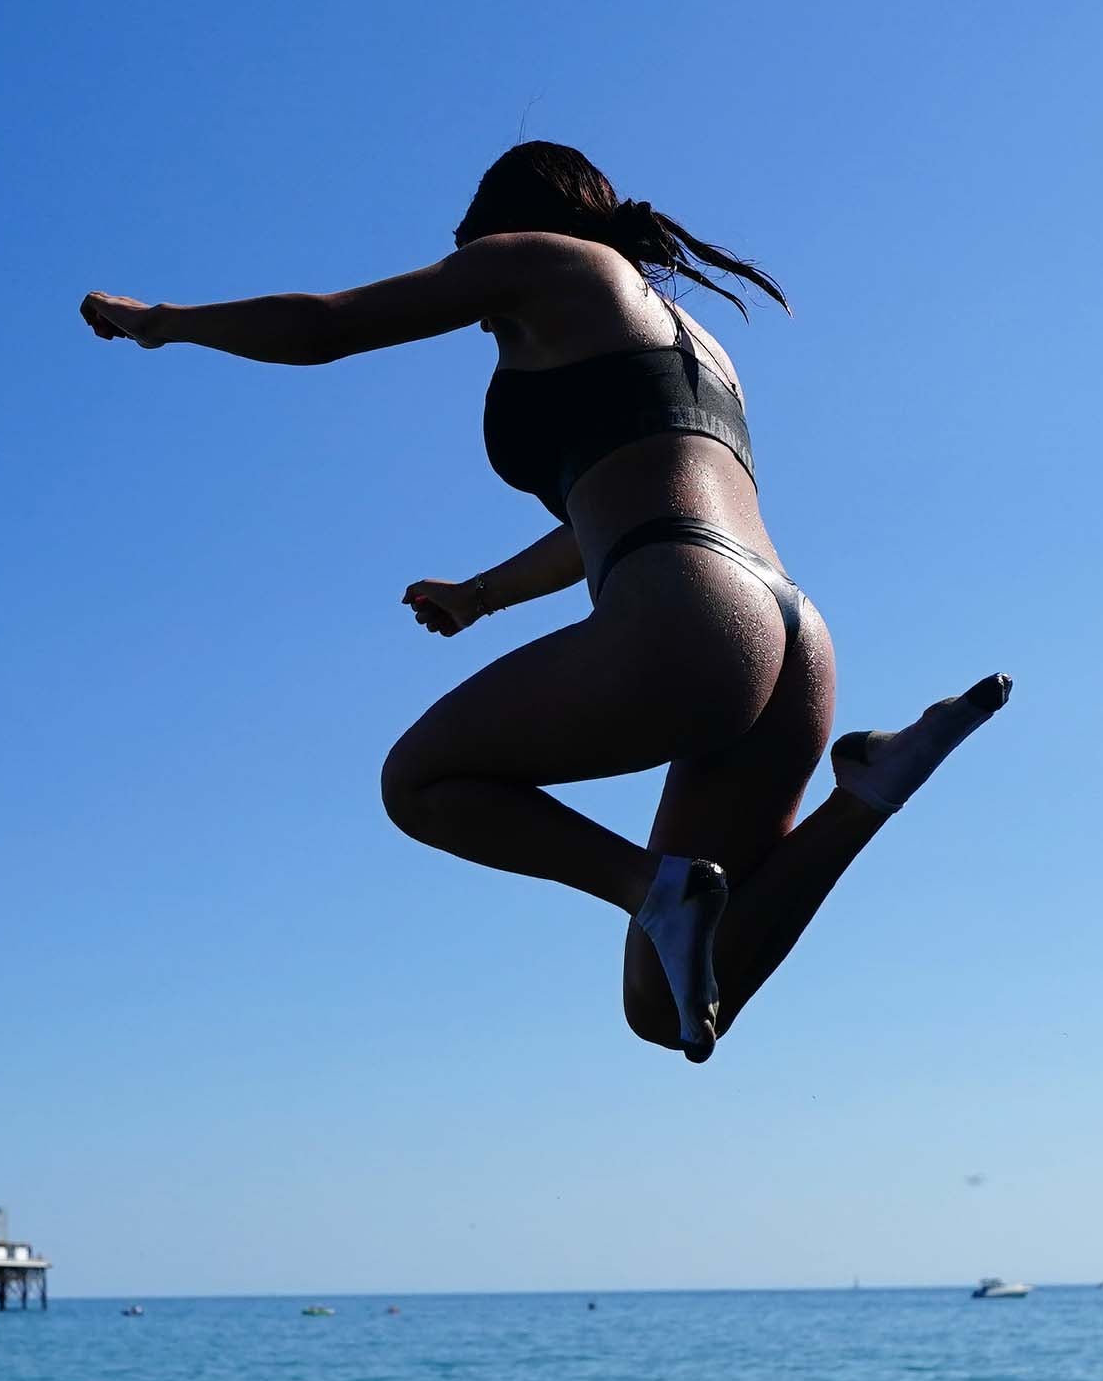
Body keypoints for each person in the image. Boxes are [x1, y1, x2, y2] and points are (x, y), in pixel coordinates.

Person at [80, 141, 1011, 1061]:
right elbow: (607, 514)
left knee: (420, 784)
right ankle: (868, 792)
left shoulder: (534, 262)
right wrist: (481, 596)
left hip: (688, 613)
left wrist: (162, 321)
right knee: (660, 1007)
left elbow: (326, 326)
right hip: (791, 636)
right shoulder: (698, 344)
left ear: (505, 223)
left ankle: (653, 884)